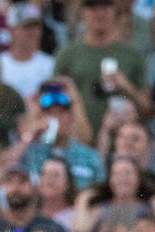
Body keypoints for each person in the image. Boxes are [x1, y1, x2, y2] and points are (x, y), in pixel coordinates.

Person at [52, 0, 147, 134]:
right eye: (92, 6)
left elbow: (147, 110)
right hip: (78, 144)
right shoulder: (67, 55)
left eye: (105, 6)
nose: (99, 13)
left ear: (115, 10)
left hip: (122, 144)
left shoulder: (132, 55)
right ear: (82, 12)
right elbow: (54, 106)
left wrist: (127, 87)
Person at [0, 3, 54, 101]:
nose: (33, 32)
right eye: (27, 27)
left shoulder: (50, 64)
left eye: (37, 27)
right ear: (11, 30)